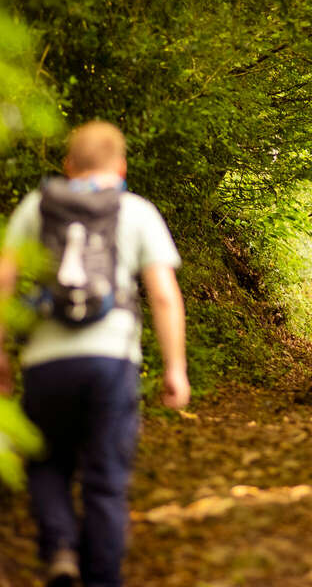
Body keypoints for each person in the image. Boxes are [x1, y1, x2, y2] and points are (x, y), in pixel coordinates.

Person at [0, 121, 190, 587]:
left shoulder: (35, 208)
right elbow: (163, 295)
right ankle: (103, 578)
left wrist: (1, 353)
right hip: (112, 361)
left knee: (47, 462)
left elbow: (4, 282)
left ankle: (61, 548)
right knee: (106, 476)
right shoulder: (136, 210)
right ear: (121, 167)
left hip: (46, 363)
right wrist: (175, 368)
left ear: (68, 166)